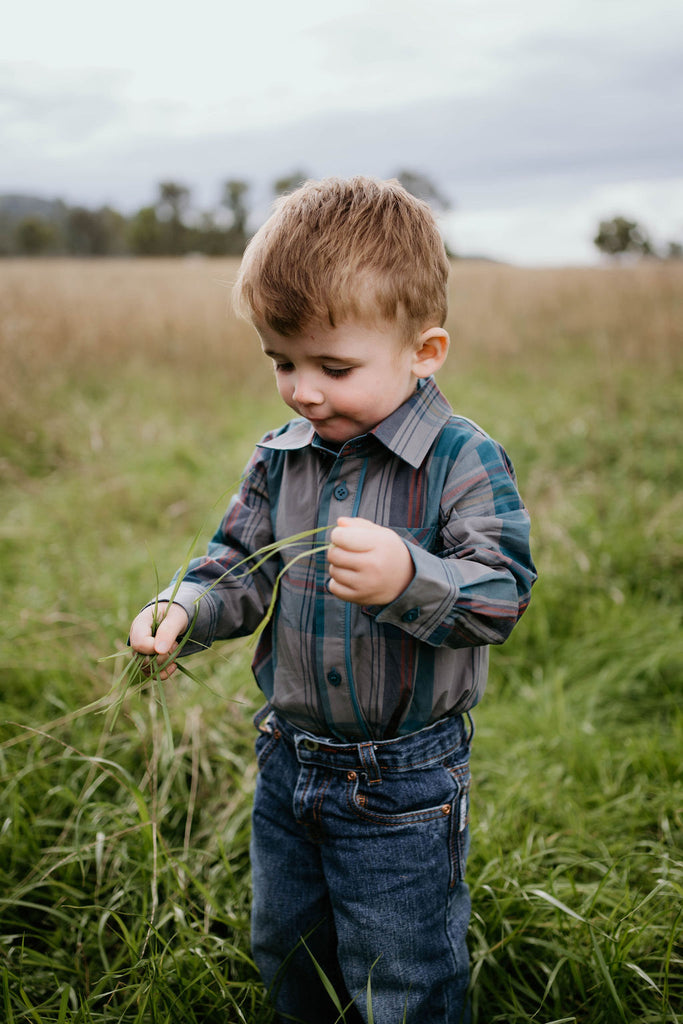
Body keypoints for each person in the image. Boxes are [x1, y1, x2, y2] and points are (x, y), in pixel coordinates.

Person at [128, 176, 536, 1023]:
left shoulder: (460, 461)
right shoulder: (284, 457)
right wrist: (185, 609)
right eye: (282, 362)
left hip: (404, 781)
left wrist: (408, 579)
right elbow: (237, 563)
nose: (303, 391)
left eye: (333, 367)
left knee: (403, 974)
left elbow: (500, 596)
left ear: (424, 351)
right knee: (288, 946)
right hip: (288, 760)